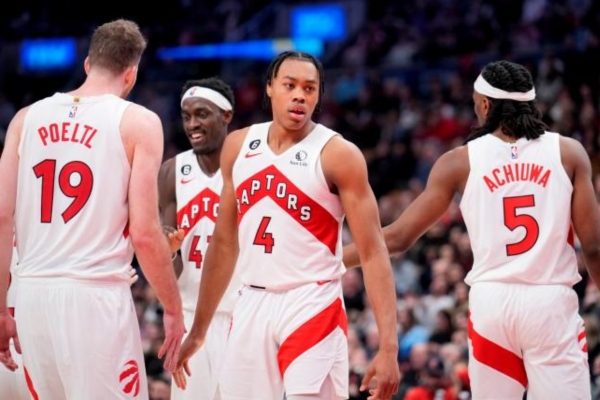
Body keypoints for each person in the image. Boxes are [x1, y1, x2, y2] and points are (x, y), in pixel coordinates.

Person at [344, 60, 600, 400]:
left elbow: (397, 237)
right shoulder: (568, 152)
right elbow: (594, 247)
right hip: (549, 302)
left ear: (484, 105)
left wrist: (326, 258)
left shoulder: (459, 161)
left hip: (491, 303)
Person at [173, 51, 401, 400]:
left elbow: (373, 252)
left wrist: (389, 346)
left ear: (319, 96)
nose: (300, 95)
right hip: (250, 300)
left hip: (312, 300)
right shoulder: (238, 145)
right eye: (290, 85)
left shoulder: (338, 154)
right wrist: (199, 329)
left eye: (310, 88)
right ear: (269, 88)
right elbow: (224, 243)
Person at [0, 19, 185, 399]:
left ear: (87, 64)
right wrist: (173, 308)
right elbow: (145, 233)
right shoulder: (139, 121)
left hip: (31, 295)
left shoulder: (25, 119)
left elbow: (2, 218)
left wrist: (2, 308)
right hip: (94, 297)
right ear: (131, 75)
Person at [158, 77, 240, 400]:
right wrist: (170, 252)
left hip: (242, 314)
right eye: (187, 115)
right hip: (190, 314)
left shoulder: (249, 166)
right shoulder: (170, 172)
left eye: (202, 114)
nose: (193, 124)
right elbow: (169, 265)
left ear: (227, 116)